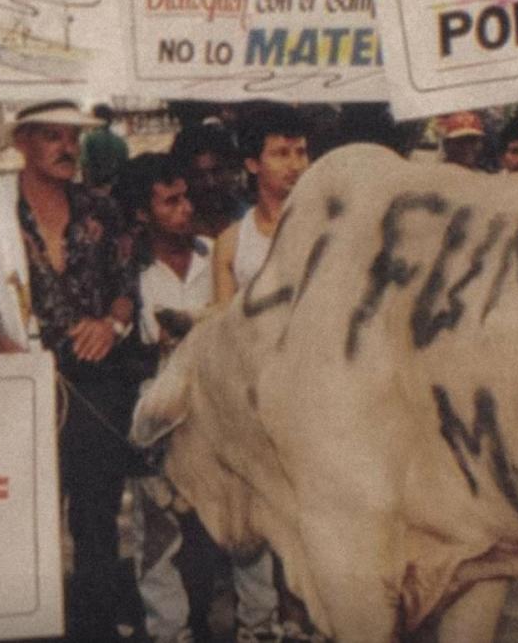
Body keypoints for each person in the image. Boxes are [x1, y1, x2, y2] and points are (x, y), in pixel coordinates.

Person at [0, 99, 142, 641]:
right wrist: (2, 348)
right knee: (23, 521)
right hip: (20, 384)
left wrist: (110, 323)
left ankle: (96, 627)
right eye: (53, 137)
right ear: (23, 143)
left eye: (73, 137)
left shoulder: (102, 210)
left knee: (96, 525)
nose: (67, 148)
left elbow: (127, 286)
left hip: (95, 385)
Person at [214, 103, 311, 642]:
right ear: (253, 164)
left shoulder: (332, 230)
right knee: (253, 526)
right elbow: (222, 329)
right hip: (252, 399)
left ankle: (309, 620)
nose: (294, 164)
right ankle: (257, 627)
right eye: (280, 153)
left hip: (314, 401)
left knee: (310, 522)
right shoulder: (233, 242)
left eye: (300, 152)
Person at [116, 153, 218, 643]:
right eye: (170, 201)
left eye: (185, 197)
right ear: (142, 213)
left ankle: (257, 624)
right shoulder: (130, 276)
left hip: (218, 412)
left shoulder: (215, 256)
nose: (185, 209)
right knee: (157, 532)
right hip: (158, 416)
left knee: (236, 524)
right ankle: (169, 631)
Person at [169, 121, 245, 238]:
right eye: (198, 176)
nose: (210, 183)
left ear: (231, 169)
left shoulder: (251, 218)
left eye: (217, 171)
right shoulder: (175, 233)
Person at [80, 103, 130, 195]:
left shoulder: (89, 138)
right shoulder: (121, 142)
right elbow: (125, 169)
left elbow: (85, 166)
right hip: (114, 190)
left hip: (94, 190)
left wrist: (88, 190)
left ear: (95, 119)